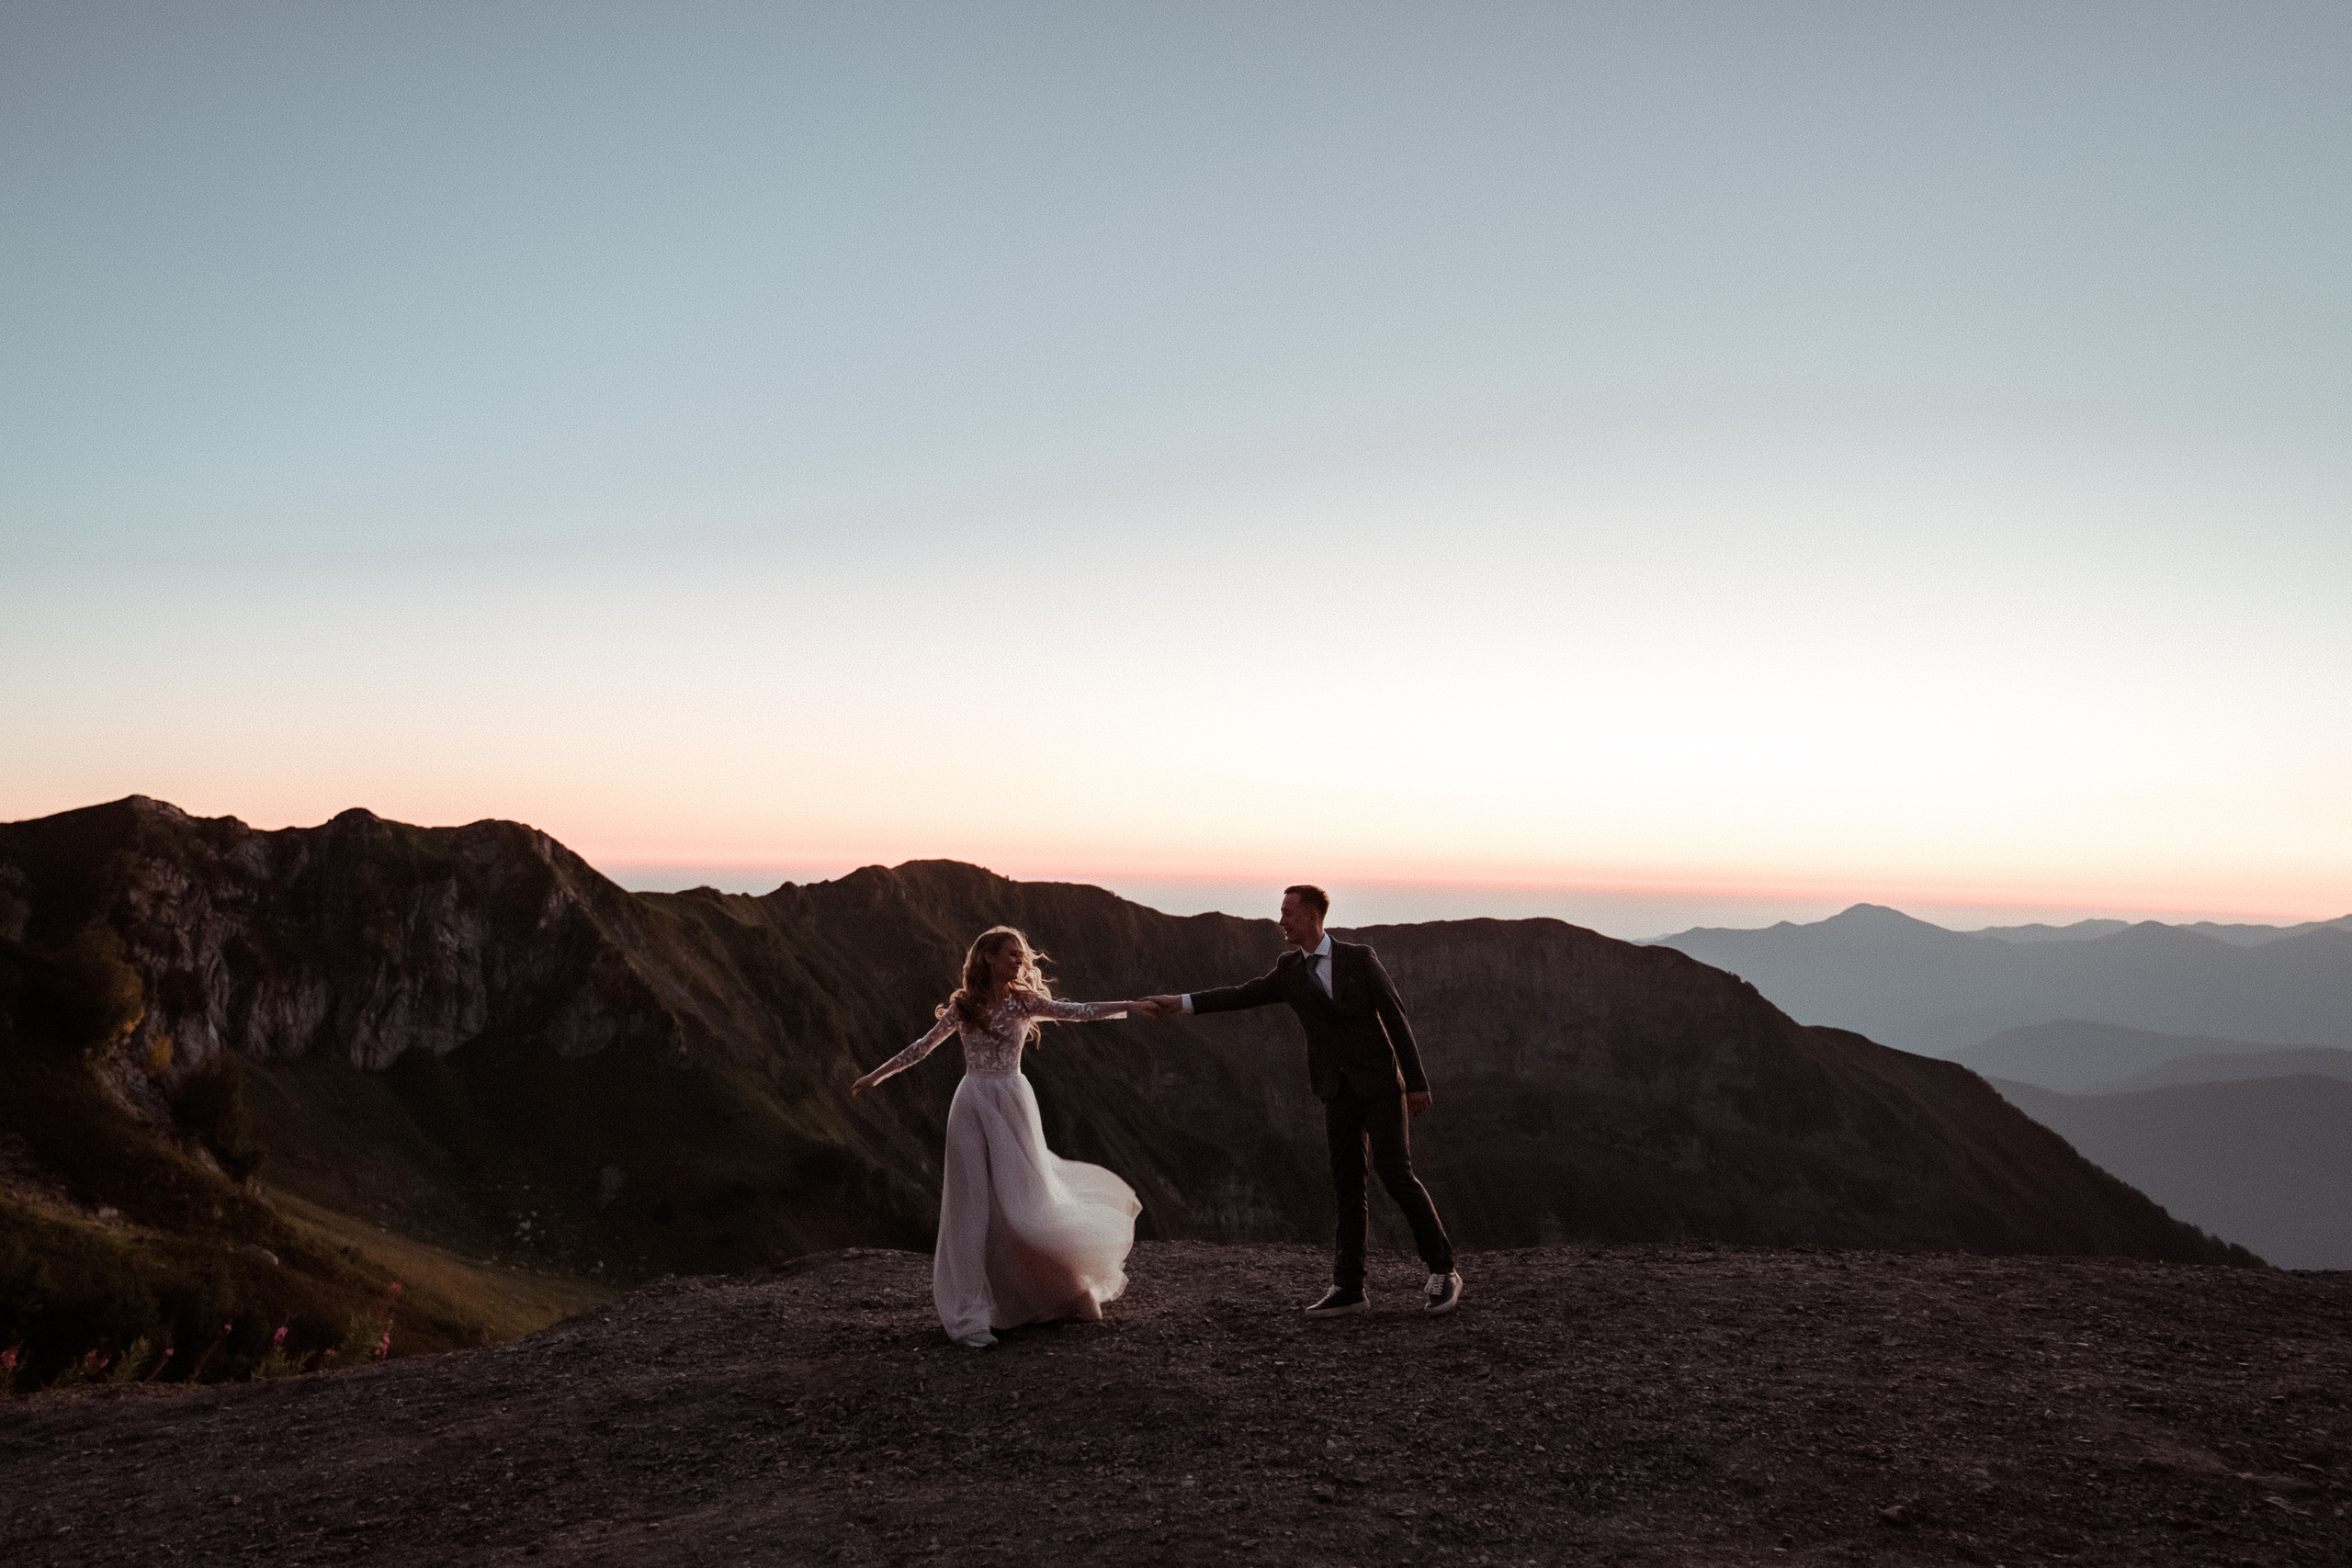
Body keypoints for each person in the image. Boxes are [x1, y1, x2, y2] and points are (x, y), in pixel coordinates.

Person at [1137, 885, 1461, 1317]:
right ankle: (1349, 1288)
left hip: (1382, 1085)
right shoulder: (1289, 970)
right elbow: (1240, 994)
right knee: (1347, 1186)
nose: (1282, 919)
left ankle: (1444, 1270)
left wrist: (1416, 1083)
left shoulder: (1359, 959)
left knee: (1396, 1175)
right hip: (1336, 1090)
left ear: (1312, 917)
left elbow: (1395, 1016)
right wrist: (1178, 1004)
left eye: (1288, 912)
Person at [852, 925, 1147, 1348]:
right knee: (971, 1204)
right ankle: (972, 1315)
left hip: (1012, 1102)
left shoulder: (1024, 1001)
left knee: (1027, 1199)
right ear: (988, 957)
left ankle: (1064, 1291)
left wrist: (1130, 1006)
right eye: (1011, 954)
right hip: (971, 1104)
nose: (1020, 961)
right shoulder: (966, 1005)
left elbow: (1077, 1011)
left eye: (1021, 955)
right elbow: (923, 1046)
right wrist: (877, 1076)